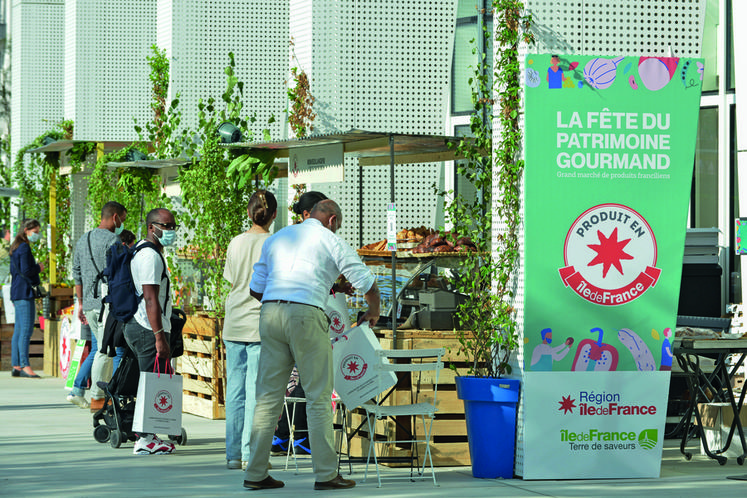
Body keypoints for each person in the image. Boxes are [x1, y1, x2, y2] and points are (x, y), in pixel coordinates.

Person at [243, 199, 380, 491]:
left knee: (268, 396)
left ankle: (255, 473)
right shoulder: (330, 240)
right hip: (306, 315)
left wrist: (280, 305)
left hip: (270, 311)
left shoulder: (279, 237)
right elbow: (365, 281)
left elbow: (256, 288)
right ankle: (326, 474)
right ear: (332, 220)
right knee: (318, 396)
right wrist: (374, 311)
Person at [223, 190, 277, 470]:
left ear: (249, 213)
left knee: (235, 391)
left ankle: (233, 454)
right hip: (260, 325)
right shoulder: (274, 243)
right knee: (257, 392)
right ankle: (249, 454)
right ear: (275, 216)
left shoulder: (236, 242)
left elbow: (231, 280)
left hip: (234, 323)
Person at [124, 208, 177, 455]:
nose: (170, 231)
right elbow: (150, 299)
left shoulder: (149, 252)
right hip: (147, 327)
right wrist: (159, 337)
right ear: (151, 227)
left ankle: (149, 434)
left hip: (145, 325)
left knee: (150, 380)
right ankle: (144, 439)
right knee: (151, 382)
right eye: (165, 226)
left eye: (172, 226)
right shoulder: (149, 257)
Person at [72, 201, 128, 411]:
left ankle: (81, 390)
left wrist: (80, 303)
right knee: (105, 352)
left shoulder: (83, 239)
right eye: (122, 218)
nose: (122, 223)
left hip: (87, 303)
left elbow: (76, 273)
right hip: (106, 305)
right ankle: (97, 397)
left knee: (99, 349)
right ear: (115, 217)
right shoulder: (113, 239)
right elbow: (120, 273)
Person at [9, 219, 44, 378]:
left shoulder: (16, 247)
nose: (36, 235)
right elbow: (27, 270)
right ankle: (24, 365)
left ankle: (16, 364)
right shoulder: (23, 247)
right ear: (27, 230)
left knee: (18, 330)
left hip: (17, 291)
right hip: (24, 292)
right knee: (26, 330)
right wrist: (39, 268)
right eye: (35, 232)